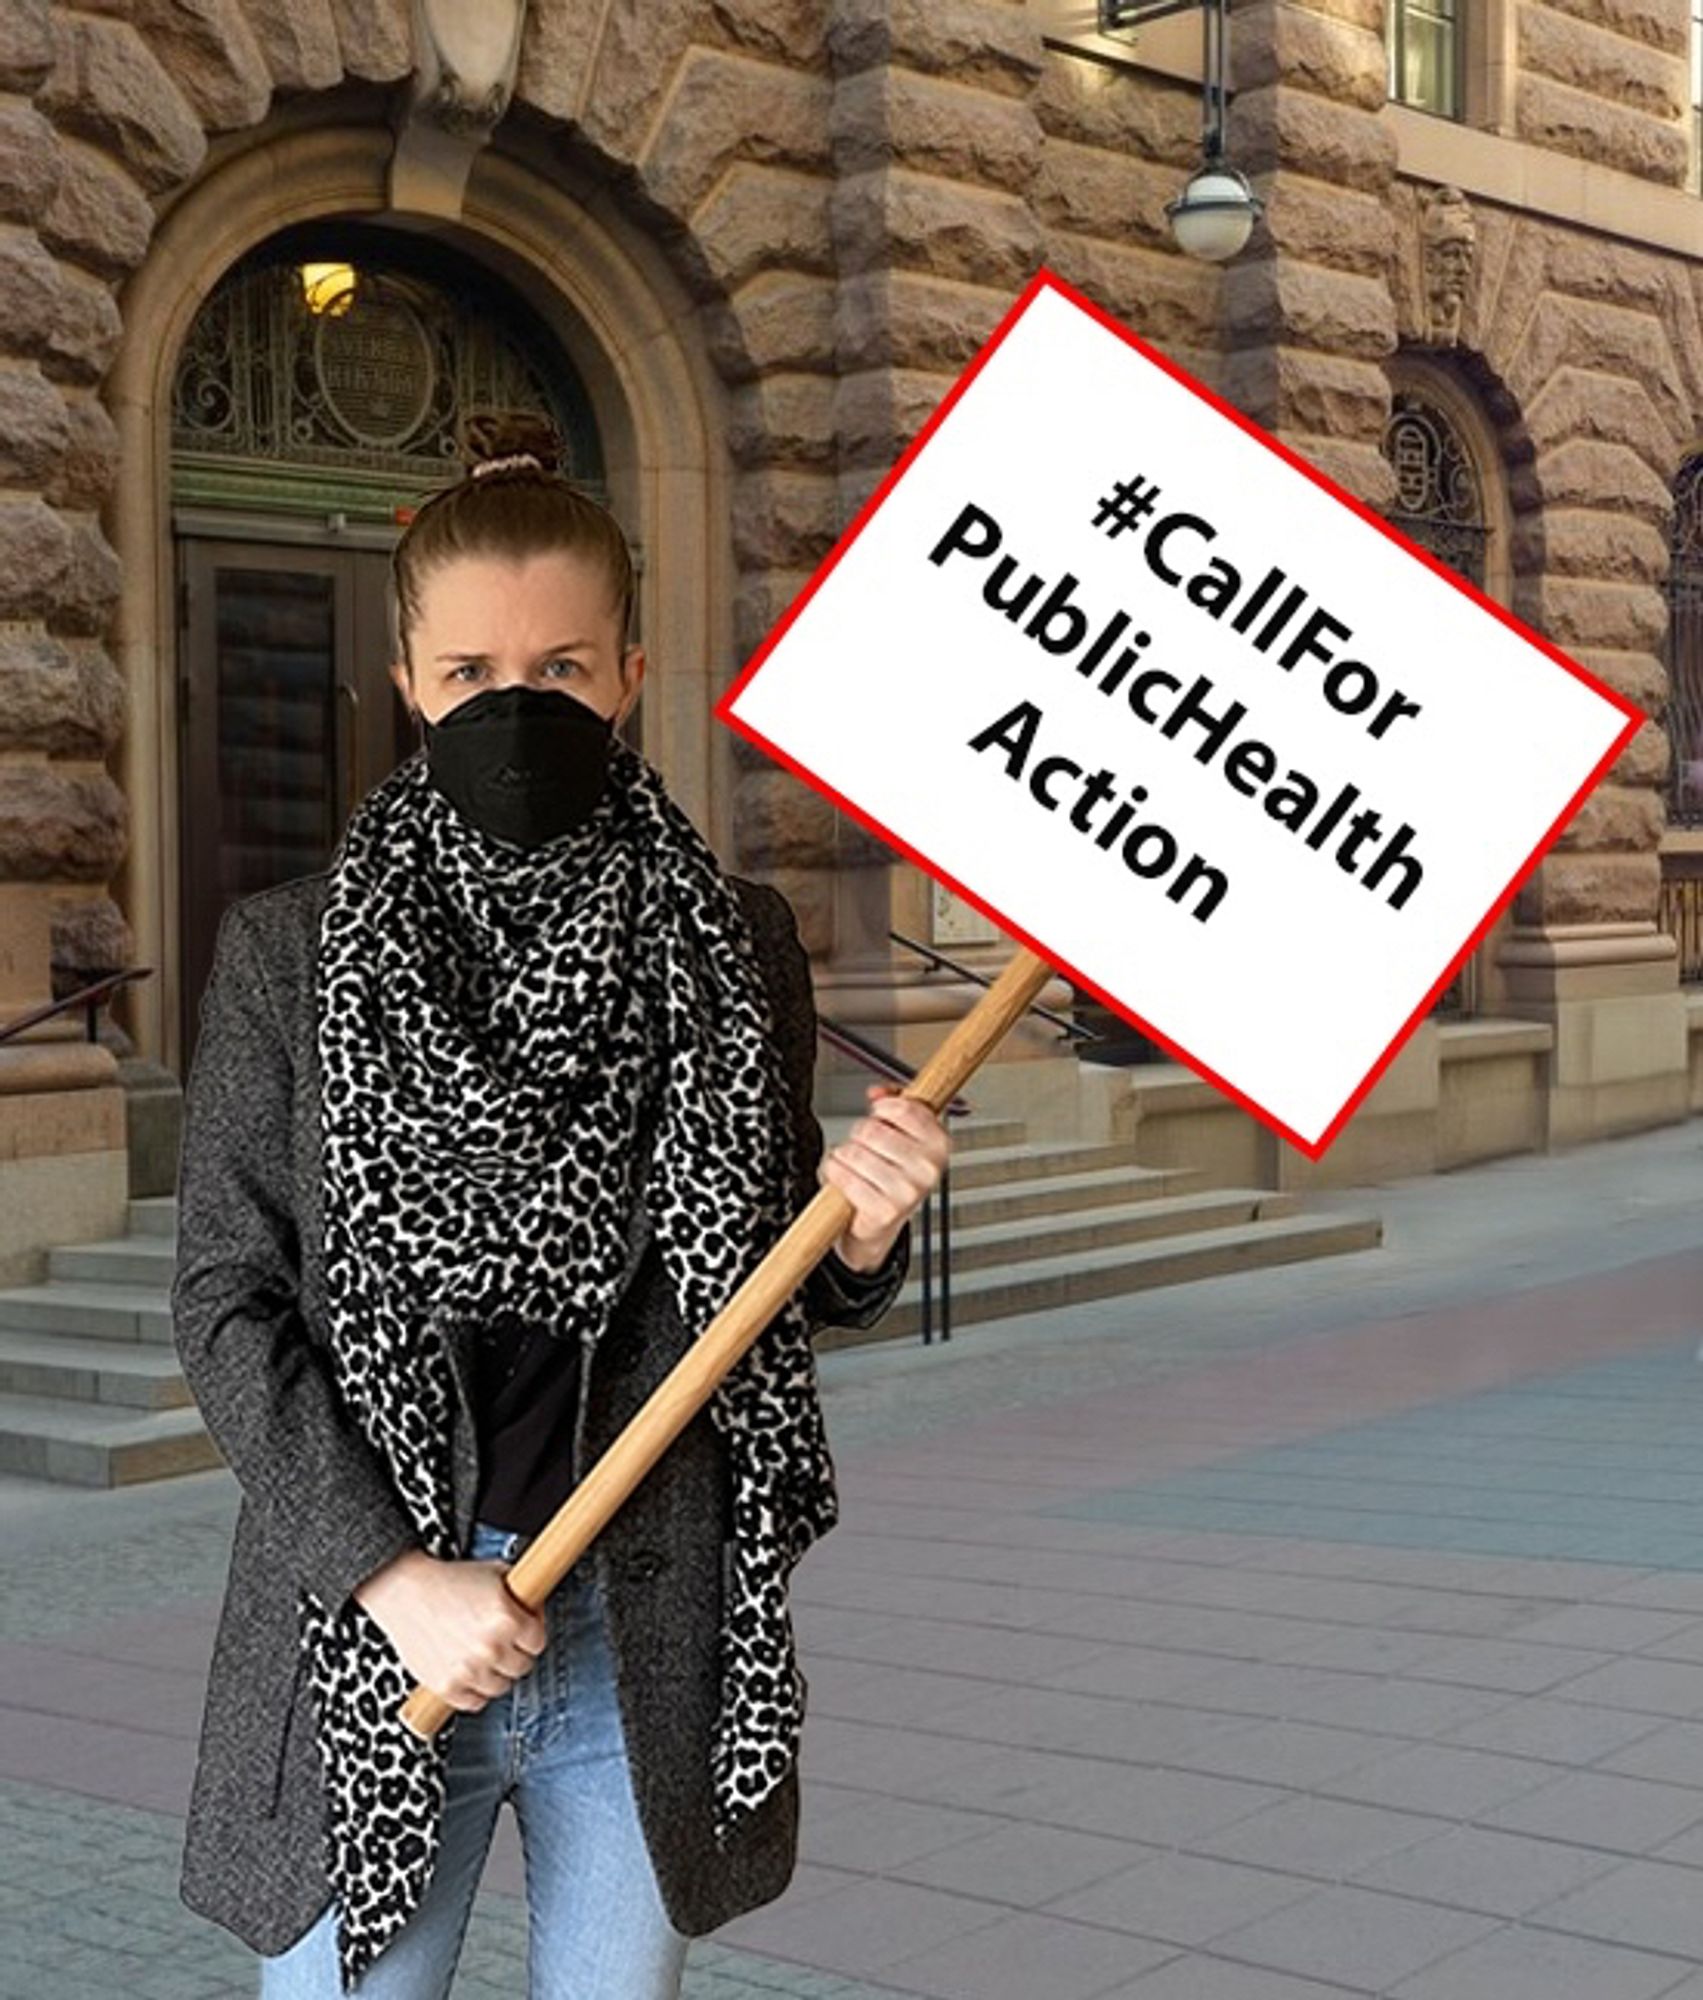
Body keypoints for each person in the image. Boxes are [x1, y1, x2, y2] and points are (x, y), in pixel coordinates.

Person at [171, 413, 950, 1998]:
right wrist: (397, 1579)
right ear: (407, 683)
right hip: (371, 1641)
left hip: (636, 1627)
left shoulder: (733, 943)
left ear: (631, 674)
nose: (514, 709)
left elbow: (755, 1281)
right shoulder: (289, 953)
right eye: (469, 676)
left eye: (563, 671)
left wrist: (858, 1236)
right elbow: (225, 1301)